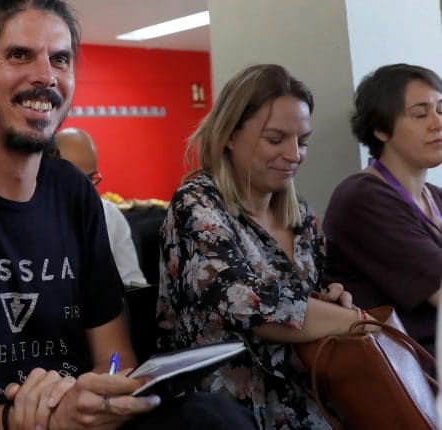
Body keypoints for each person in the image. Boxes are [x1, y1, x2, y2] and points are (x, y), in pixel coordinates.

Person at [0, 1, 256, 429]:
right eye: (19, 55)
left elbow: (114, 359)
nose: (46, 75)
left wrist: (100, 392)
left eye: (60, 59)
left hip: (82, 421)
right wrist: (22, 418)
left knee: (213, 417)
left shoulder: (75, 193)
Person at [156, 64, 372, 429]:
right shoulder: (196, 204)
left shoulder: (299, 213)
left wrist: (328, 301)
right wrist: (357, 323)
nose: (294, 155)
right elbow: (251, 307)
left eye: (302, 142)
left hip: (309, 402)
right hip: (226, 414)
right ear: (229, 134)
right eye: (275, 139)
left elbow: (301, 302)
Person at [322, 64, 442, 356]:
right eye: (420, 114)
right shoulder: (363, 198)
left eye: (441, 109)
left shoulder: (435, 196)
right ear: (380, 129)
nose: (437, 123)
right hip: (413, 372)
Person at [56, 127, 147, 286]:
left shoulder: (109, 214)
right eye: (75, 179)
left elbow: (133, 282)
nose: (85, 189)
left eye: (91, 179)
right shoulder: (27, 216)